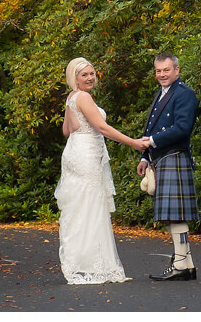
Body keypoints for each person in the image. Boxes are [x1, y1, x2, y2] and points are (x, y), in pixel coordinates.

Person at [55, 57, 147, 284]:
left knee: (81, 206)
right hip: (85, 155)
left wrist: (78, 126)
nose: (90, 78)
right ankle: (95, 265)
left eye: (92, 73)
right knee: (91, 206)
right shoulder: (83, 97)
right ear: (74, 78)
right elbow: (102, 127)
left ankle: (84, 262)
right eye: (84, 74)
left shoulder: (71, 98)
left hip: (75, 151)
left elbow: (67, 130)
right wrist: (134, 143)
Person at [137, 52, 200, 281]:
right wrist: (145, 157)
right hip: (161, 158)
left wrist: (152, 142)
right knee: (170, 215)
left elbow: (183, 128)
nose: (162, 74)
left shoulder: (184, 94)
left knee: (174, 215)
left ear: (177, 70)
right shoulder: (162, 93)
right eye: (158, 71)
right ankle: (187, 264)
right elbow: (151, 128)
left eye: (166, 70)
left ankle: (181, 265)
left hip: (174, 156)